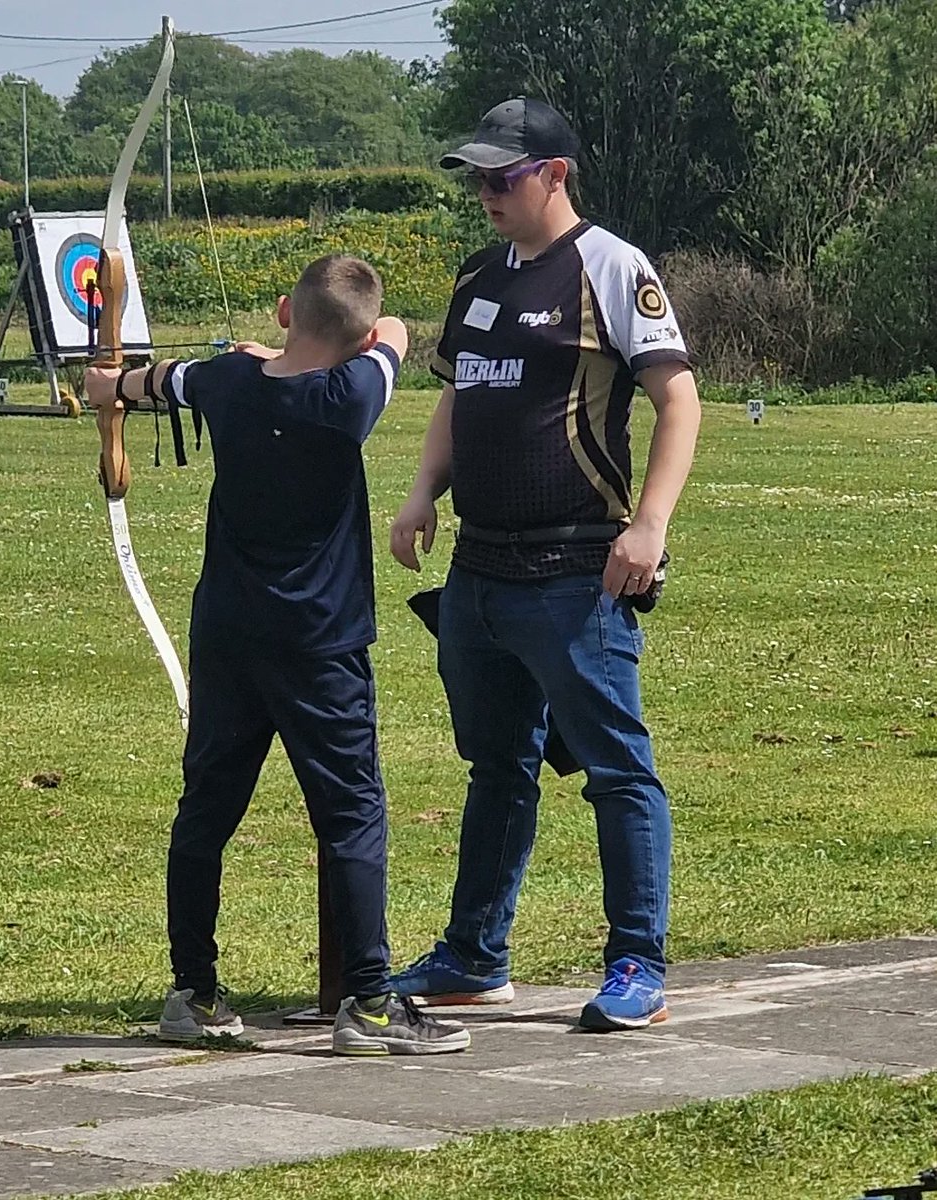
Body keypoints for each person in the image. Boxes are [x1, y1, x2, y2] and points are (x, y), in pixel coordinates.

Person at [84, 254, 470, 1057]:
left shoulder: (227, 381)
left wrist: (109, 390)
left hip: (227, 634)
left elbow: (162, 383)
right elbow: (391, 336)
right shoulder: (351, 392)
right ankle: (367, 1004)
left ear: (283, 310)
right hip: (318, 642)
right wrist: (358, 333)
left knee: (207, 807)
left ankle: (192, 990)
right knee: (352, 814)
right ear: (356, 334)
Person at [387, 99, 702, 1031]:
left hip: (576, 571)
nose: (484, 192)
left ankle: (635, 963)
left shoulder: (610, 265)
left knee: (615, 768)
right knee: (496, 767)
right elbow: (455, 398)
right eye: (477, 177)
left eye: (502, 177)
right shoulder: (477, 275)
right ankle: (473, 959)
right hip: (478, 576)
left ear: (554, 174)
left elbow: (677, 403)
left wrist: (646, 527)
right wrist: (420, 493)